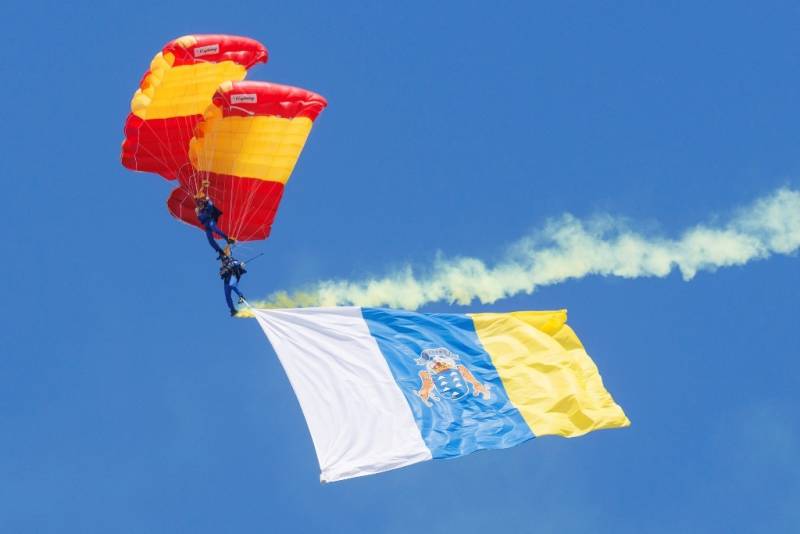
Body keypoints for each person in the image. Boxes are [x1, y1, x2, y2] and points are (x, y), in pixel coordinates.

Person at [194, 179, 235, 257]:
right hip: (206, 225)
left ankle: (227, 239)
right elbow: (199, 194)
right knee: (210, 240)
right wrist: (203, 186)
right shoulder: (198, 206)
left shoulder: (208, 204)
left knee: (215, 229)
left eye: (201, 201)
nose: (200, 203)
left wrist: (207, 200)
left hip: (210, 221)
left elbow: (209, 204)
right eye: (199, 201)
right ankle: (220, 252)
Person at [220, 251, 247, 316]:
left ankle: (241, 296)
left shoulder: (232, 260)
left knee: (232, 285)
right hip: (226, 281)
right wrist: (222, 272)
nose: (223, 261)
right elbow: (222, 273)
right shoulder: (223, 265)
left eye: (224, 259)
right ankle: (233, 310)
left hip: (232, 276)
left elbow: (236, 263)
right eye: (223, 259)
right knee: (227, 296)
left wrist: (233, 266)